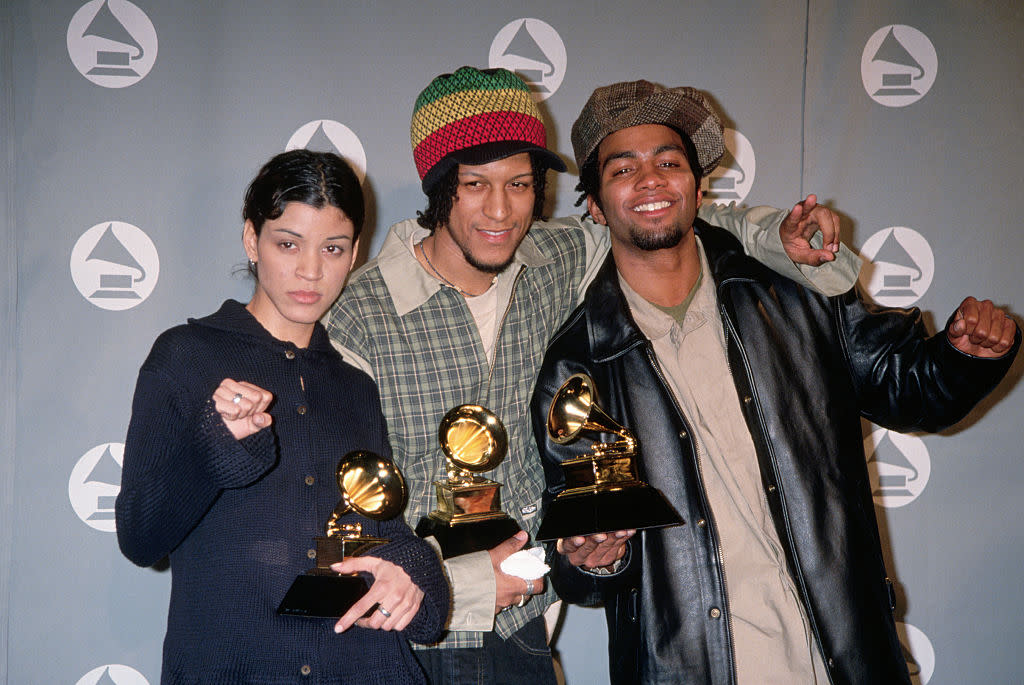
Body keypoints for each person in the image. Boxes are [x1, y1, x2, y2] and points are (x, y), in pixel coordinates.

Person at [326, 66, 863, 684]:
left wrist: (776, 235)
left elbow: (663, 216)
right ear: (439, 183)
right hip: (402, 640)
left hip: (524, 636)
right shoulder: (359, 314)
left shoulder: (558, 256)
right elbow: (340, 508)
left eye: (520, 184)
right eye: (475, 184)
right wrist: (466, 587)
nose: (500, 210)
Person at [530, 80, 1020, 685]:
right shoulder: (577, 365)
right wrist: (593, 557)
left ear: (699, 186)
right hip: (690, 668)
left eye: (669, 162)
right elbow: (585, 565)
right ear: (597, 206)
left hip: (840, 654)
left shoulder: (792, 291)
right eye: (624, 169)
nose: (651, 179)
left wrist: (963, 356)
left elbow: (907, 386)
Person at [115, 149, 449, 684]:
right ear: (252, 239)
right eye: (287, 243)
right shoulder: (184, 356)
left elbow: (381, 530)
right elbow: (140, 537)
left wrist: (410, 577)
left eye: (333, 248)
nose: (311, 270)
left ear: (355, 252)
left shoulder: (354, 386)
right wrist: (218, 442)